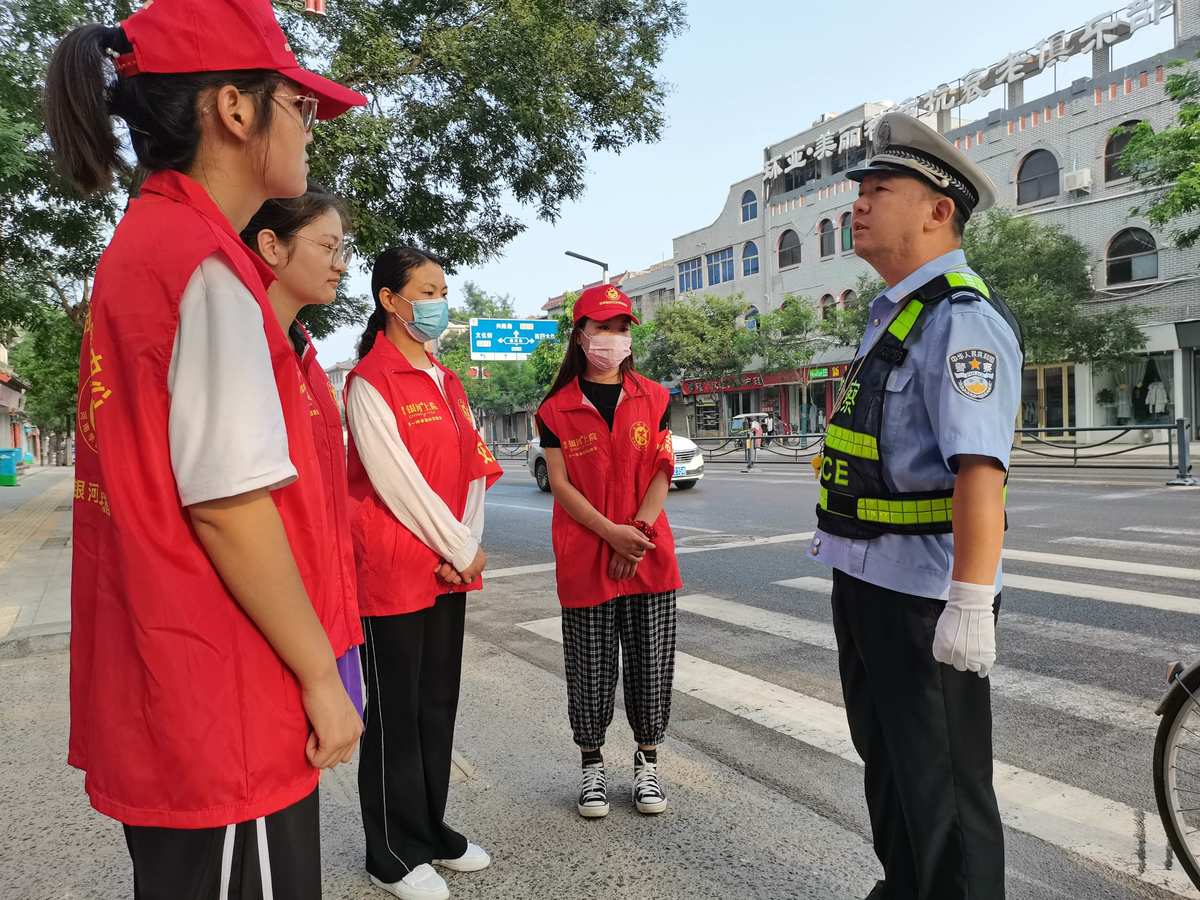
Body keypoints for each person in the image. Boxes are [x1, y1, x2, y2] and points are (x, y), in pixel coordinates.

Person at [45, 0, 367, 897]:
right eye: (298, 106)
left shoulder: (150, 244)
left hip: (177, 676)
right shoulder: (206, 266)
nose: (310, 130)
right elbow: (228, 506)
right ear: (234, 110)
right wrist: (323, 680)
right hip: (224, 694)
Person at [811, 112, 1022, 900]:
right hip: (866, 578)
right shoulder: (894, 314)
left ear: (938, 210)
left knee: (947, 793)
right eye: (860, 189)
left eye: (881, 189)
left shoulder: (960, 319)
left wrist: (971, 603)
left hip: (927, 596)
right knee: (892, 766)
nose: (859, 203)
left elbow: (980, 470)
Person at [347, 247, 503, 900]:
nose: (438, 301)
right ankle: (389, 850)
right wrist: (456, 545)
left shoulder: (449, 382)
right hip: (392, 571)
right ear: (390, 300)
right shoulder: (369, 381)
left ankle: (430, 828)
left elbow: (475, 463)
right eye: (426, 289)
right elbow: (396, 483)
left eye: (444, 288)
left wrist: (467, 542)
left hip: (447, 568)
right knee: (395, 714)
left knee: (437, 703)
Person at [535, 283, 683, 820]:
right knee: (590, 667)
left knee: (651, 664)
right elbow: (561, 484)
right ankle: (592, 765)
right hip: (586, 553)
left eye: (622, 328)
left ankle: (647, 762)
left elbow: (663, 471)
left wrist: (636, 535)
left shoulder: (656, 398)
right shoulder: (555, 409)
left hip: (648, 555)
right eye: (605, 328)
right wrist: (610, 534)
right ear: (581, 336)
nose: (615, 338)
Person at [241, 182, 364, 715]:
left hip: (325, 609)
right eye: (327, 246)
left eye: (344, 251)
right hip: (277, 621)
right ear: (272, 247)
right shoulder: (248, 349)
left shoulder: (302, 354)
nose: (340, 265)